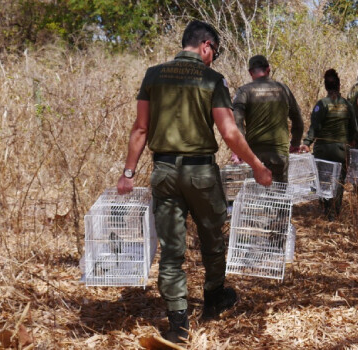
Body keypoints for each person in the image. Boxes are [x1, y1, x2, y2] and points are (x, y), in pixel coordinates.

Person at [116, 20, 272, 344]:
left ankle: (178, 322)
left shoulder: (153, 75)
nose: (212, 57)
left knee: (172, 250)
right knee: (212, 237)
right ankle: (214, 298)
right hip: (200, 172)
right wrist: (257, 165)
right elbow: (229, 132)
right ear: (205, 46)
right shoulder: (212, 79)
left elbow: (141, 130)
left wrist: (128, 173)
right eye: (213, 51)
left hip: (164, 172)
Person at [231, 55, 304, 182]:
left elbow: (237, 122)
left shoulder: (244, 91)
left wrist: (238, 149)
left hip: (253, 155)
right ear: (268, 70)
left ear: (250, 72)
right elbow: (297, 119)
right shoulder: (283, 89)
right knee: (278, 198)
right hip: (279, 154)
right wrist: (295, 143)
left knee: (255, 198)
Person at [300, 69, 357, 221]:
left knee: (324, 180)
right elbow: (354, 128)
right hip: (340, 149)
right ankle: (334, 213)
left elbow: (315, 126)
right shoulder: (347, 105)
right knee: (338, 181)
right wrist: (351, 141)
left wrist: (307, 143)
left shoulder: (322, 104)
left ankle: (326, 209)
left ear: (326, 87)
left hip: (323, 150)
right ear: (339, 86)